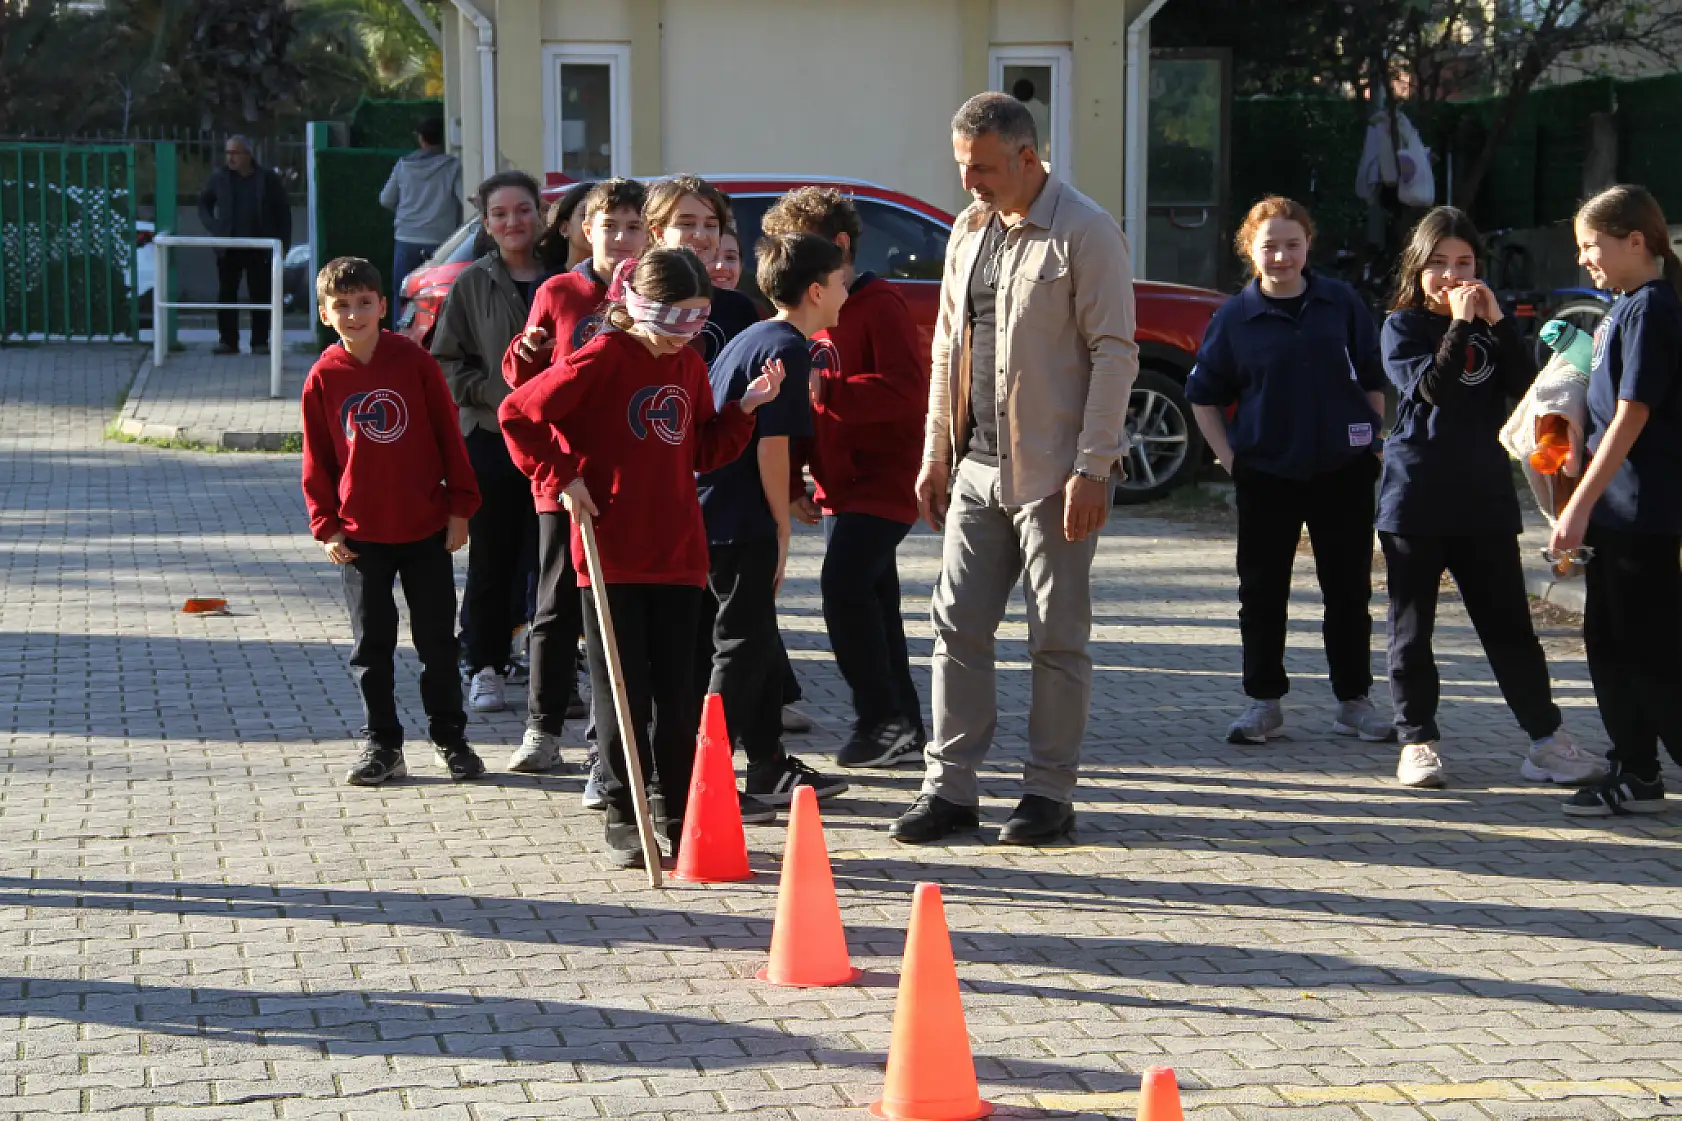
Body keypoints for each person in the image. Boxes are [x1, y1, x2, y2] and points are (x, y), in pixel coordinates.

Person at [894, 92, 1137, 847]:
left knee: (1055, 638)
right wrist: (935, 453)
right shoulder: (968, 230)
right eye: (962, 167)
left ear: (1027, 158)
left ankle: (1048, 795)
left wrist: (1094, 466)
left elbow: (1115, 353)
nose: (969, 183)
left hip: (1057, 475)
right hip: (975, 467)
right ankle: (949, 790)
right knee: (956, 628)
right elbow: (947, 346)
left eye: (984, 169)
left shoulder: (1087, 231)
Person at [500, 247, 782, 868]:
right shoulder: (602, 356)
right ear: (638, 307)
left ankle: (676, 807)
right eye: (673, 318)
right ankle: (623, 811)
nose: (683, 334)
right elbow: (518, 414)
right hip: (612, 554)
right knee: (622, 694)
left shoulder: (687, 363)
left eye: (696, 319)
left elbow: (702, 449)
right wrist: (563, 476)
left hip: (678, 552)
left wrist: (744, 409)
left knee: (679, 694)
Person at [1378, 207, 1601, 790]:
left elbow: (1528, 390)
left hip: (1484, 498)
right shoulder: (1402, 327)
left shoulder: (1488, 326)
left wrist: (1498, 324)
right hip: (1416, 498)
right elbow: (1434, 388)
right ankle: (1417, 741)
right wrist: (1458, 324)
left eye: (1465, 263)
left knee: (1509, 628)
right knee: (1412, 629)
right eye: (1439, 264)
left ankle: (1546, 742)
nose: (1453, 276)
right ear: (1417, 268)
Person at [1187, 197, 1392, 749]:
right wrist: (1230, 459)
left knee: (1347, 590)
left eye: (1292, 244)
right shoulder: (1234, 317)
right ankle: (1264, 702)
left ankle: (1354, 700)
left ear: (1309, 245)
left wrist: (1371, 443)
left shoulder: (1341, 303)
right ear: (1250, 250)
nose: (1281, 256)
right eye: (1270, 246)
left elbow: (1371, 378)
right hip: (1267, 474)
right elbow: (1203, 395)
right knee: (1262, 592)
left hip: (1343, 472)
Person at [299, 257, 485, 786]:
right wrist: (326, 525)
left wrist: (459, 508)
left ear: (383, 306)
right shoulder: (324, 377)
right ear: (324, 314)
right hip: (360, 537)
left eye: (364, 303)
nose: (354, 314)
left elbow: (449, 435)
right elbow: (317, 459)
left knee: (437, 643)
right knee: (371, 648)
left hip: (425, 526)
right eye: (341, 305)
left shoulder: (414, 362)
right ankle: (382, 743)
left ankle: (451, 738)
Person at [761, 187, 930, 767]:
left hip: (883, 479)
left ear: (838, 246)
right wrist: (796, 479)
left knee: (844, 589)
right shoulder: (809, 312)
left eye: (800, 248)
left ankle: (880, 719)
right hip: (839, 484)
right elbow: (797, 407)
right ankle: (903, 724)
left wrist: (828, 389)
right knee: (876, 601)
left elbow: (908, 391)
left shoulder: (879, 305)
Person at [498, 177, 647, 779]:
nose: (621, 237)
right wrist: (528, 350)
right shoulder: (558, 291)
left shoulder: (650, 291)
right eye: (609, 225)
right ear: (586, 230)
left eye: (633, 227)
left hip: (627, 471)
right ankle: (543, 727)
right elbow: (521, 382)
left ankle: (607, 744)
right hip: (561, 471)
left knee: (617, 606)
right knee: (556, 601)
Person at [697, 233, 851, 812]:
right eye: (839, 282)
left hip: (718, 513)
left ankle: (767, 765)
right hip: (737, 519)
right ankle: (702, 776)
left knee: (757, 640)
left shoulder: (760, 335)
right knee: (739, 645)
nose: (845, 291)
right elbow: (771, 446)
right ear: (815, 290)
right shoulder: (788, 348)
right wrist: (781, 526)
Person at [1553, 184, 1682, 817]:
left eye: (1591, 245)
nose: (1583, 258)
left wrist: (1579, 505)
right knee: (1609, 643)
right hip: (1615, 510)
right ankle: (1637, 771)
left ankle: (1647, 766)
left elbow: (1633, 413)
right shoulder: (1623, 307)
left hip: (1642, 512)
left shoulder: (1653, 306)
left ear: (1635, 242)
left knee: (1649, 650)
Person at [431, 171, 546, 722]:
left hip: (552, 442)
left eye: (522, 210)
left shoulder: (562, 278)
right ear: (486, 223)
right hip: (492, 438)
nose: (513, 222)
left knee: (543, 559)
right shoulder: (473, 282)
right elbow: (445, 360)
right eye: (500, 214)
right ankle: (482, 663)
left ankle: (542, 661)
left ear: (540, 215)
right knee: (492, 558)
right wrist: (490, 392)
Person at [197, 135, 292, 356]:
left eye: (235, 153)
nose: (230, 158)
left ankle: (260, 342)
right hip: (229, 246)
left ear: (248, 155)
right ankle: (227, 341)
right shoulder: (219, 178)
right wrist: (215, 226)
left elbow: (283, 212)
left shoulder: (266, 179)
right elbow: (203, 203)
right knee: (227, 293)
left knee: (260, 294)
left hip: (260, 246)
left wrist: (283, 243)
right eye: (228, 153)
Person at [379, 116, 463, 314]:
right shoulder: (452, 166)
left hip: (407, 239)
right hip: (441, 241)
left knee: (403, 297)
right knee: (439, 297)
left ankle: (402, 332)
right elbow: (463, 197)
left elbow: (385, 199)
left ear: (420, 138)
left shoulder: (403, 166)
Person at [536, 182, 597, 273]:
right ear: (564, 229)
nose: (595, 224)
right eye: (585, 215)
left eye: (608, 221)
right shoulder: (550, 281)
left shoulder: (618, 280)